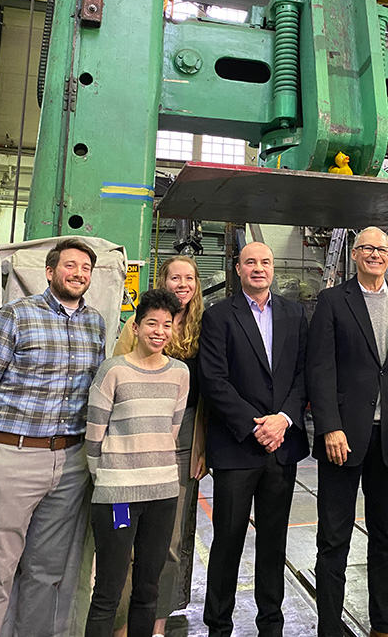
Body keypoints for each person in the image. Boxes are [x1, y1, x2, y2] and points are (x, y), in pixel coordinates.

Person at [0, 238, 106, 637]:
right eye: (70, 266)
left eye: (85, 268)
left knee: (46, 571)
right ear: (50, 272)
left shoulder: (95, 323)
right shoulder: (15, 315)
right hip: (13, 457)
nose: (78, 273)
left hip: (68, 464)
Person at [306, 226, 388, 637]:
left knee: (385, 537)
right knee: (333, 539)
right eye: (368, 248)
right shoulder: (332, 301)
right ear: (356, 254)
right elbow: (320, 369)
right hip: (343, 438)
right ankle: (330, 627)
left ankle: (383, 625)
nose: (376, 255)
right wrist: (329, 426)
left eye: (382, 249)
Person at [198, 241, 309, 637]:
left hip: (282, 447)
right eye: (250, 262)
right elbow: (213, 379)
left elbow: (302, 375)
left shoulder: (295, 314)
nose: (258, 268)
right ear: (238, 269)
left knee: (273, 543)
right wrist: (254, 424)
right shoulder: (218, 316)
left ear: (273, 268)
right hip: (237, 447)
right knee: (228, 542)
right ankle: (218, 625)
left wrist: (282, 420)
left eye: (265, 262)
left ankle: (271, 624)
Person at [85, 288, 190, 637]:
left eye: (167, 325)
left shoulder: (180, 373)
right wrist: (111, 478)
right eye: (151, 324)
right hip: (118, 496)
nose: (159, 331)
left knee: (148, 590)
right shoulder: (113, 370)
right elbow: (94, 435)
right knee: (109, 592)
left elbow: (171, 429)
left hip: (162, 494)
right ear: (136, 326)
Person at [113, 255, 205, 637]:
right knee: (124, 539)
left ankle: (157, 624)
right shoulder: (137, 325)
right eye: (174, 277)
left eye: (189, 277)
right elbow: (116, 378)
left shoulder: (205, 327)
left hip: (182, 444)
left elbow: (208, 395)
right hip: (133, 444)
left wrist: (201, 447)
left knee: (169, 543)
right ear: (162, 281)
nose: (182, 283)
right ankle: (120, 624)